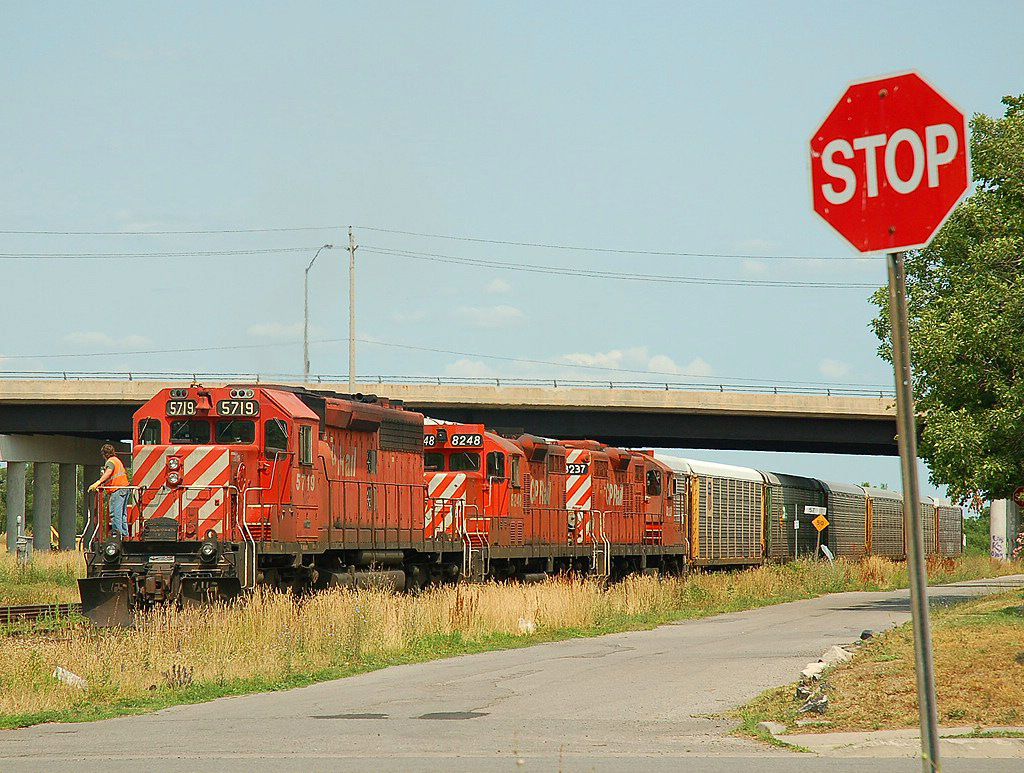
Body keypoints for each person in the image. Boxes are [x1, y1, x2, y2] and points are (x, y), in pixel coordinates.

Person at [88, 444, 129, 538]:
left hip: (117, 489)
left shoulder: (110, 462)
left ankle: (117, 536)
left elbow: (109, 472)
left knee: (115, 514)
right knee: (122, 515)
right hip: (124, 488)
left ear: (104, 454)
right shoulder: (117, 460)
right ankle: (125, 536)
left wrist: (98, 482)